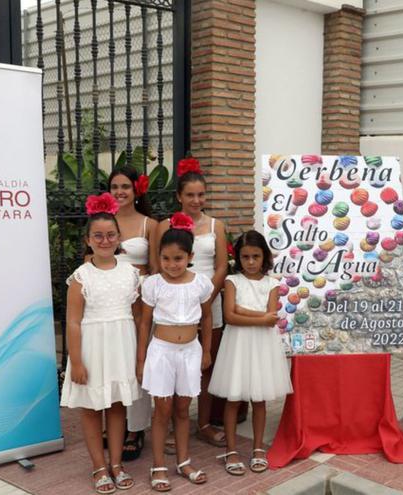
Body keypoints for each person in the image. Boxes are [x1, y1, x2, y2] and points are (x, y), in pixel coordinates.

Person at [60, 193, 141, 494]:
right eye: (98, 236)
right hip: (92, 349)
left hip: (121, 346)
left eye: (110, 235)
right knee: (92, 408)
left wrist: (138, 356)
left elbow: (136, 316)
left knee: (118, 406)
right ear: (88, 240)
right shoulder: (81, 277)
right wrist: (77, 361)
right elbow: (72, 322)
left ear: (119, 238)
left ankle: (116, 464)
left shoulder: (131, 273)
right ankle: (98, 466)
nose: (105, 240)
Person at [155, 158, 229, 447]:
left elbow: (222, 265)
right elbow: (158, 265)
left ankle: (205, 423)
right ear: (179, 197)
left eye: (201, 194)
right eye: (190, 195)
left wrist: (206, 297)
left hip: (209, 301)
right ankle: (173, 424)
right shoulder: (165, 226)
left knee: (206, 363)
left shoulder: (216, 225)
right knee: (173, 363)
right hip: (174, 306)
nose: (196, 200)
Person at [138, 213, 214, 491]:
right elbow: (145, 322)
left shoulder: (200, 283)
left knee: (183, 409)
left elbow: (206, 318)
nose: (171, 265)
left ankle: (183, 461)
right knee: (162, 410)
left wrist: (205, 351)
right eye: (166, 258)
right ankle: (158, 466)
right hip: (161, 352)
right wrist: (141, 359)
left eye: (178, 259)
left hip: (190, 352)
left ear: (190, 256)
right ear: (159, 256)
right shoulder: (153, 284)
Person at [209, 230, 293, 475]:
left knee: (259, 399)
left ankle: (258, 448)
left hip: (263, 346)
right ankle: (232, 449)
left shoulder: (272, 284)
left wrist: (245, 312)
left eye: (256, 256)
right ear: (238, 258)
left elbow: (271, 319)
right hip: (238, 344)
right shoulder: (232, 281)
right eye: (245, 257)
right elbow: (230, 316)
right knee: (233, 397)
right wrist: (258, 316)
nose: (251, 262)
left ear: (264, 256)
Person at [108, 167, 159, 462]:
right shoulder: (103, 221)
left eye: (125, 186)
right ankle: (114, 419)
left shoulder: (149, 225)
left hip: (138, 302)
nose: (119, 192)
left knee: (138, 362)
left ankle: (136, 427)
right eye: (114, 186)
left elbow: (154, 268)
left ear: (136, 190)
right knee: (113, 360)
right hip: (109, 301)